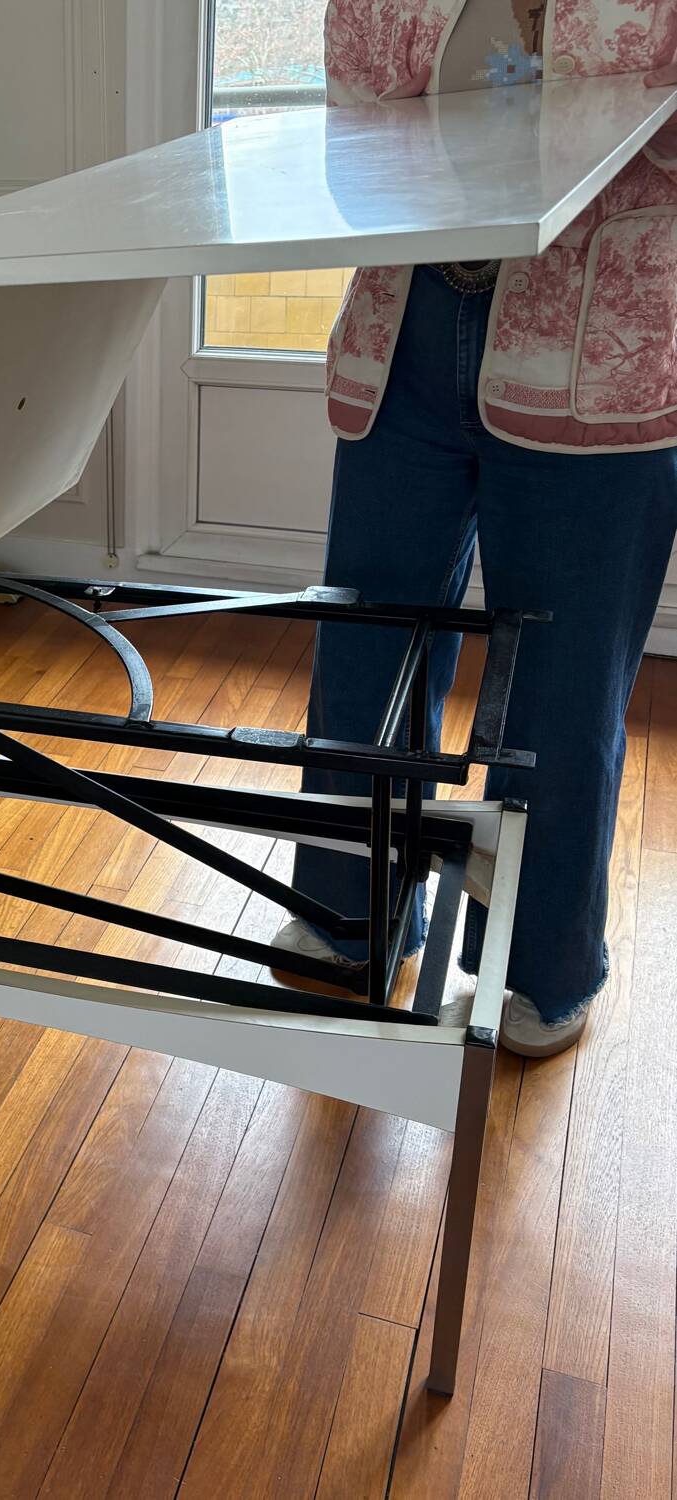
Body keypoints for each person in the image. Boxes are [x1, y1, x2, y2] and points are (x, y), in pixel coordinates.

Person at [271, 1, 677, 1057]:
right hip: (405, 323)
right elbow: (356, 110)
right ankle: (348, 910)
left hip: (604, 345)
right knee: (366, 636)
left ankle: (535, 965)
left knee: (561, 677)